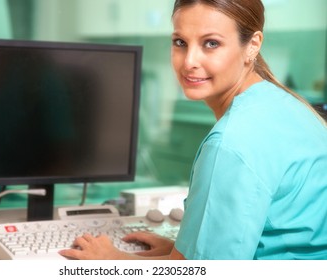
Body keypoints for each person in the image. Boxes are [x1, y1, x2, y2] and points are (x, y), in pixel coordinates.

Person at [59, 0, 327, 260]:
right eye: (180, 42)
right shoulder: (286, 105)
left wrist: (112, 260)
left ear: (253, 45)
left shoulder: (231, 144)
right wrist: (181, 249)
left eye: (211, 44)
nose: (189, 61)